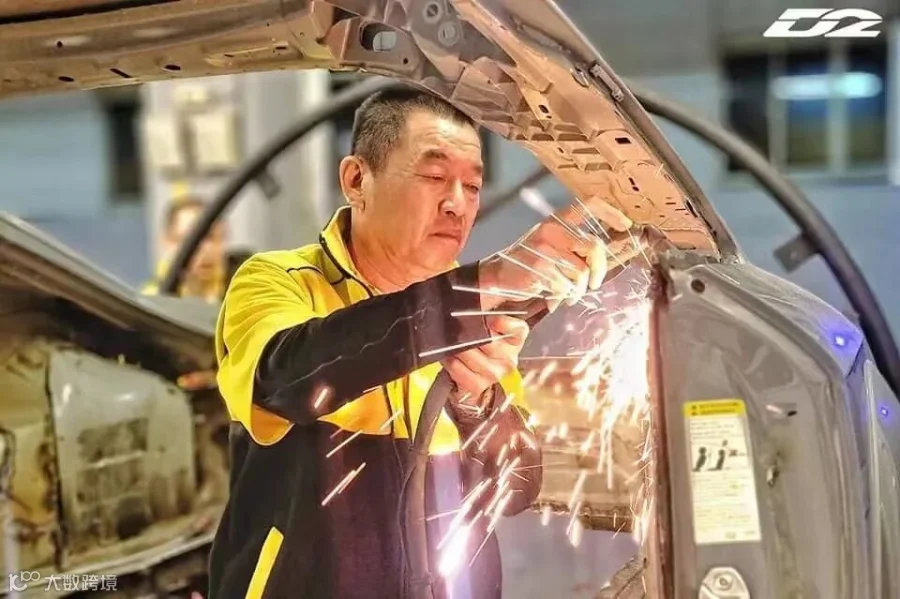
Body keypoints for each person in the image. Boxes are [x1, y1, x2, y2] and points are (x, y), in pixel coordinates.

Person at [207, 88, 620, 599]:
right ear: (356, 180)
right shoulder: (278, 281)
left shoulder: (470, 311)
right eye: (433, 177)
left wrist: (478, 405)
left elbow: (517, 487)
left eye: (473, 186)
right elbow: (287, 378)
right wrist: (481, 285)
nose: (457, 204)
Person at [142, 196, 227, 302]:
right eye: (193, 239)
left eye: (212, 237)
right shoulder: (153, 300)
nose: (206, 248)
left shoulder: (243, 282)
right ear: (168, 242)